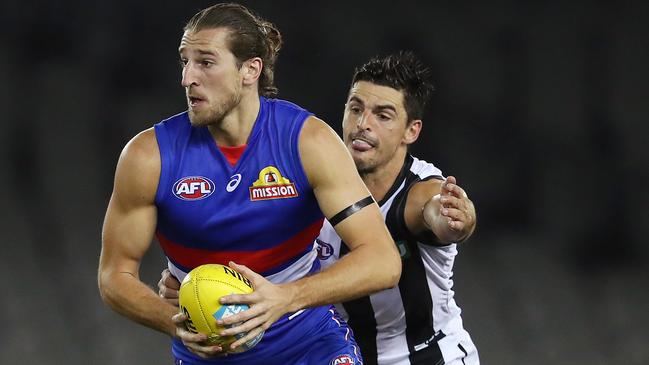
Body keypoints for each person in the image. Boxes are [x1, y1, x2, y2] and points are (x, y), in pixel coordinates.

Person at [98, 3, 402, 364]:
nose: (187, 78)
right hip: (209, 352)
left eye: (206, 62)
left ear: (250, 70)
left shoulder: (308, 142)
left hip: (308, 342)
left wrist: (285, 297)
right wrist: (173, 321)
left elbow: (382, 260)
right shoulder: (149, 157)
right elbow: (114, 275)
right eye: (185, 61)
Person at [161, 52, 480, 364]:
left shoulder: (418, 189)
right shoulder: (311, 178)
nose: (363, 124)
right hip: (336, 351)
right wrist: (195, 282)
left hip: (429, 356)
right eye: (356, 109)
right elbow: (265, 257)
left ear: (412, 130)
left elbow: (434, 211)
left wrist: (457, 220)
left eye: (382, 115)